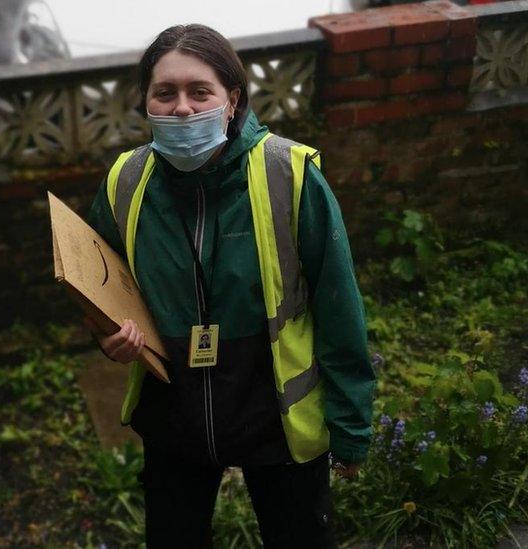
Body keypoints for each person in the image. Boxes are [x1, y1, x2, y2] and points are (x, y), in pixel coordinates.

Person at [85, 23, 375, 548]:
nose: (182, 108)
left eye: (200, 91)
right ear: (146, 102)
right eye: (165, 93)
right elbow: (96, 288)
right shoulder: (124, 183)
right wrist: (106, 338)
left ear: (232, 98)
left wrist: (351, 425)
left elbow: (339, 302)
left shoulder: (289, 174)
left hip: (273, 411)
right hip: (172, 412)